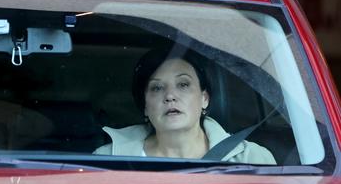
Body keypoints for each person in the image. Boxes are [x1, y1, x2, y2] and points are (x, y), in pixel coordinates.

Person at [94, 47, 276, 164]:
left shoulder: (252, 158)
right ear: (145, 107)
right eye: (157, 87)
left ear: (204, 98)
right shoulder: (107, 160)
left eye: (183, 85)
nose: (170, 96)